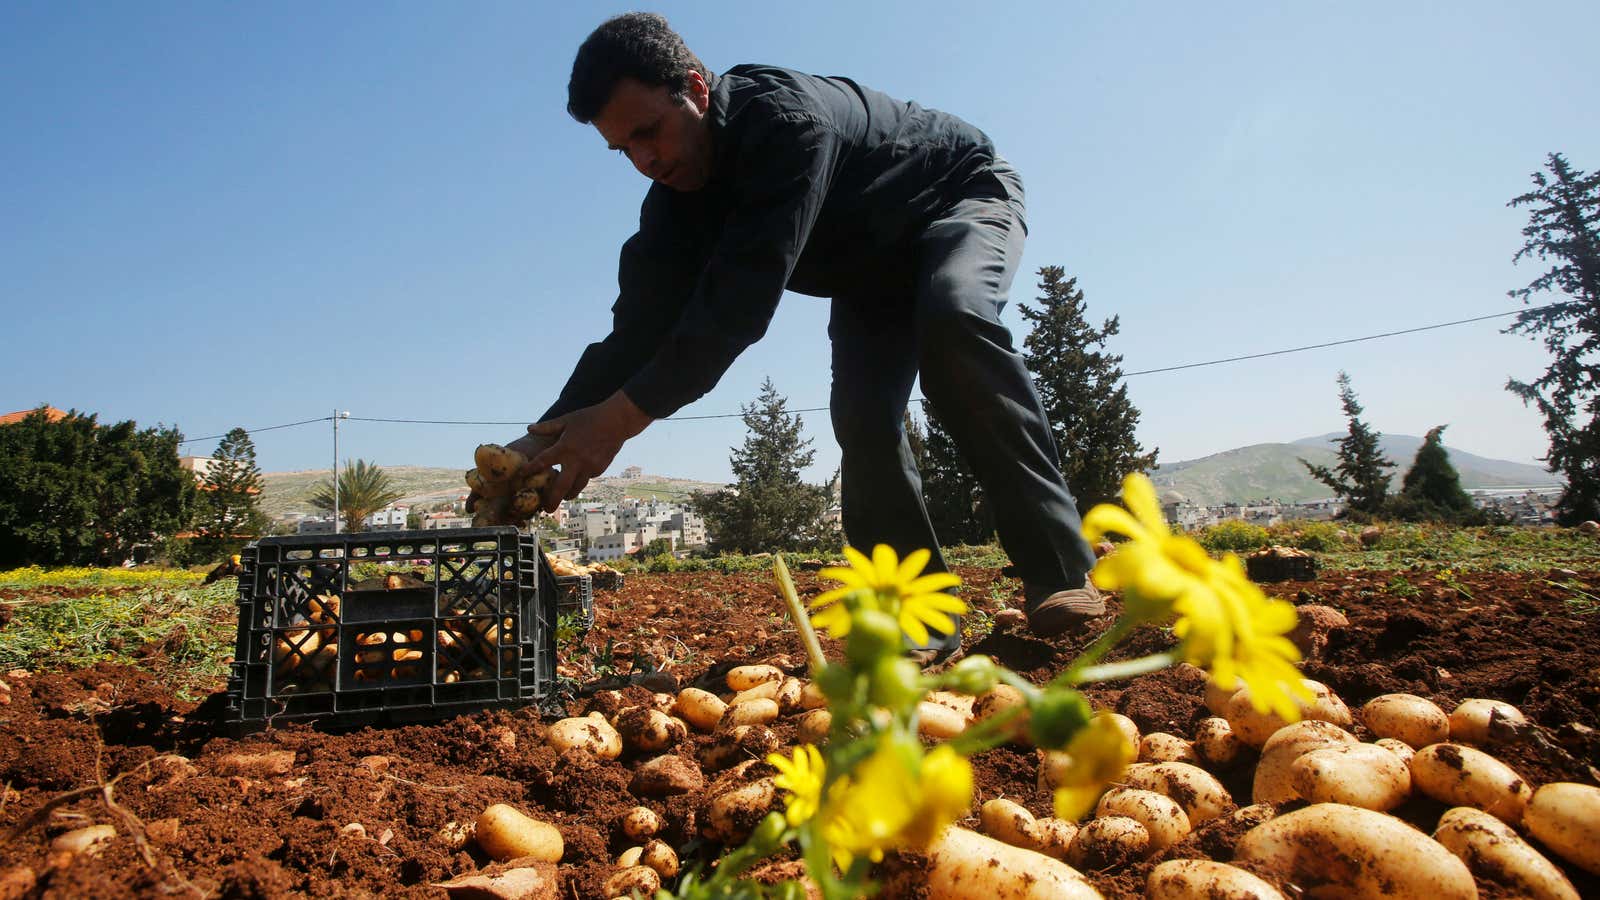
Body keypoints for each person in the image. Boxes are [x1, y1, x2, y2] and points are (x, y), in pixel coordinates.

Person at [484, 12, 1103, 661]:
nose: (645, 161)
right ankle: (916, 624)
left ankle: (1058, 569)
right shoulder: (673, 207)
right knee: (864, 419)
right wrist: (541, 439)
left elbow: (735, 310)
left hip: (956, 200)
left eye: (649, 132)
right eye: (624, 150)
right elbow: (635, 332)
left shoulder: (784, 123)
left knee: (955, 313)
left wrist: (614, 424)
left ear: (696, 89)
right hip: (870, 270)